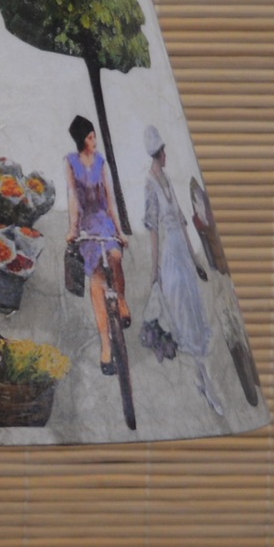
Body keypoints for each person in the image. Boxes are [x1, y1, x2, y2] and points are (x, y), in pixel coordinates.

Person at [142, 125, 223, 416]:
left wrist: (195, 259)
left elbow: (181, 222)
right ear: (158, 153)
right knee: (183, 314)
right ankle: (203, 378)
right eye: (164, 151)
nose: (167, 156)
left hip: (182, 255)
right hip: (169, 257)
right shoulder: (150, 183)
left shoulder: (167, 181)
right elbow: (153, 230)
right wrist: (154, 270)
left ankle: (204, 377)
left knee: (195, 310)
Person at [64, 115, 129, 373]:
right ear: (82, 140)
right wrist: (73, 229)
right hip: (87, 225)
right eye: (90, 137)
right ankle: (106, 346)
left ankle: (121, 299)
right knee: (97, 283)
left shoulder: (101, 161)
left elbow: (110, 198)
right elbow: (72, 196)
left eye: (94, 136)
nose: (94, 141)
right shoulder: (71, 162)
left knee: (115, 256)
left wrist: (119, 231)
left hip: (104, 221)